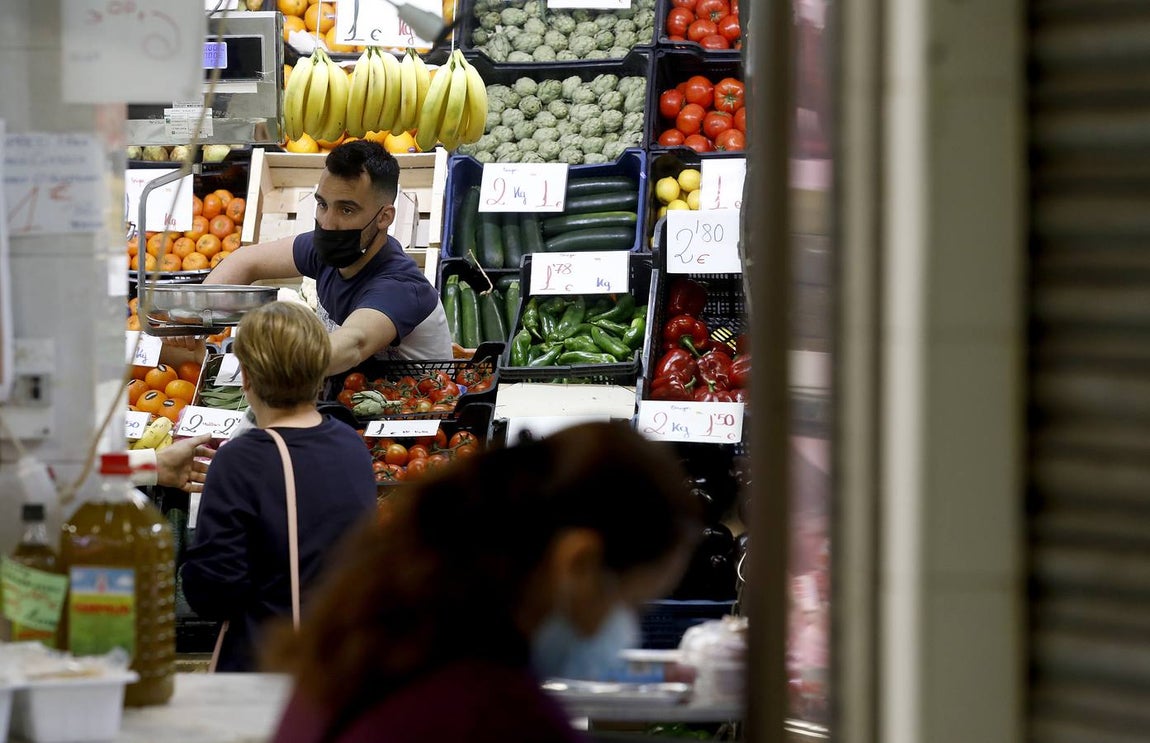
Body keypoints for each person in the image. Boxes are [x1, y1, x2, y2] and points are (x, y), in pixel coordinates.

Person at [265, 422, 702, 743]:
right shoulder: (499, 717)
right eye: (632, 604)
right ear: (579, 564)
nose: (626, 628)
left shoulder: (371, 641)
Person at [180, 301, 378, 672]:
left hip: (268, 666)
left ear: (247, 380)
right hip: (340, 659)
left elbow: (214, 591)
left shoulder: (239, 461)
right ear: (321, 372)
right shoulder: (351, 444)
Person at [203, 139, 452, 375]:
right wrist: (196, 319)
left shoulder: (399, 287)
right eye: (322, 204)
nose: (328, 223)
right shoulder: (327, 248)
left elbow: (352, 344)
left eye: (346, 210)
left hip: (415, 410)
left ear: (384, 217)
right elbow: (246, 261)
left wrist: (266, 360)